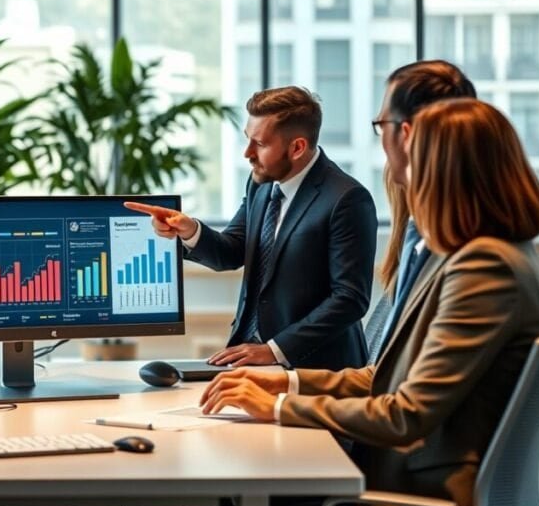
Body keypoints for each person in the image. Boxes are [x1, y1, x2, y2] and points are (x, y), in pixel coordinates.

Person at [201, 98, 539, 506]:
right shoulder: (472, 258)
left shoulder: (484, 270)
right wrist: (286, 381)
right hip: (409, 477)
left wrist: (278, 407)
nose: (398, 172)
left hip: (419, 502)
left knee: (230, 502)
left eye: (411, 159)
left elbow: (405, 413)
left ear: (447, 175)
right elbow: (391, 378)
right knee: (214, 499)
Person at [127, 86, 377, 371]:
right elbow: (232, 252)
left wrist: (274, 350)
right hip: (247, 357)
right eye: (248, 140)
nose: (247, 153)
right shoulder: (262, 183)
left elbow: (349, 300)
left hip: (313, 369)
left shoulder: (346, 199)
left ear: (297, 147)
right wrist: (189, 230)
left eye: (260, 144)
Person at [364, 60, 476, 364]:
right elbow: (382, 379)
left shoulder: (473, 266)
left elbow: (408, 407)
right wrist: (287, 385)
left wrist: (283, 403)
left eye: (381, 126)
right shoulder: (427, 248)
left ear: (405, 134)